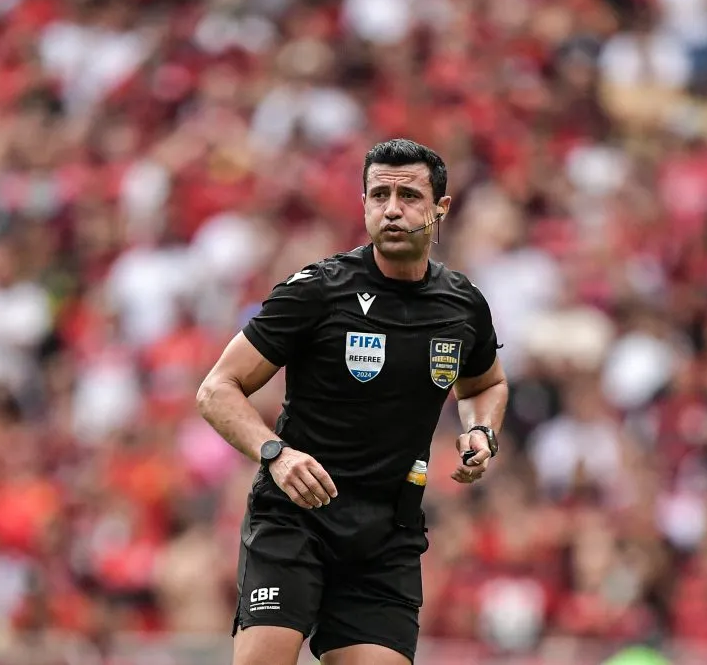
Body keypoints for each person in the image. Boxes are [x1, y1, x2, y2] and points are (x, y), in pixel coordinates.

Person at [196, 139, 509, 665]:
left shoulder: (462, 305)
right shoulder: (318, 291)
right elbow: (216, 389)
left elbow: (485, 384)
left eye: (408, 195)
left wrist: (482, 431)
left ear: (441, 208)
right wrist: (276, 453)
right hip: (297, 519)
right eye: (378, 194)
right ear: (362, 202)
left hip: (387, 535)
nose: (391, 208)